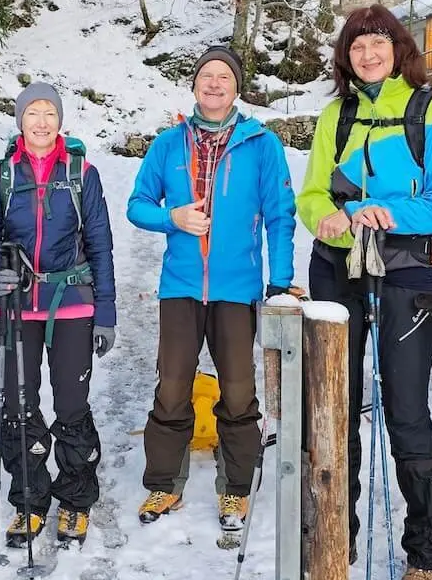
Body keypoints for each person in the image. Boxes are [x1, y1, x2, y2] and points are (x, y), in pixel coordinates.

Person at [296, 4, 432, 580]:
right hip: (338, 269)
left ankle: (427, 552)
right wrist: (324, 219)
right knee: (334, 406)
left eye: (378, 43)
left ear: (398, 49)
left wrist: (377, 211)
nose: (367, 54)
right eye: (357, 46)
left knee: (406, 407)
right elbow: (312, 192)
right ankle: (337, 538)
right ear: (346, 56)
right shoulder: (334, 115)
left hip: (409, 273)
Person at [126, 46, 295, 536]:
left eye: (224, 76)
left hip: (236, 289)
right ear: (194, 85)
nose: (215, 83)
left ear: (237, 86)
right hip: (180, 286)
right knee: (173, 388)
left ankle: (237, 489)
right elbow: (138, 204)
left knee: (239, 393)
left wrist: (279, 282)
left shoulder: (261, 144)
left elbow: (280, 217)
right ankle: (163, 484)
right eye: (206, 76)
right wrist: (171, 218)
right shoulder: (168, 144)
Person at [0, 82, 116, 548]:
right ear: (19, 121)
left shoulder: (81, 173)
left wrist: (106, 311)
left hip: (71, 302)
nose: (40, 121)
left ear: (59, 120)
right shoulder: (2, 175)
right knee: (18, 405)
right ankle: (28, 500)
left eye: (48, 113)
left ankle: (75, 499)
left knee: (72, 406)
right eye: (32, 113)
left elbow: (99, 243)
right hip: (14, 307)